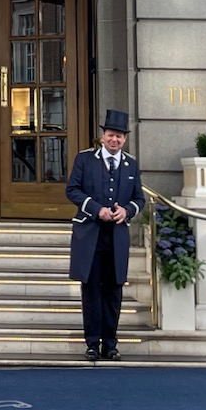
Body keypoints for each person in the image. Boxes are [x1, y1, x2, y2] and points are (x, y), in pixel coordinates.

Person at [65, 109, 144, 361]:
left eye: (119, 137)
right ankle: (91, 343)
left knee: (113, 291)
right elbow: (72, 191)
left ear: (125, 139)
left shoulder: (131, 164)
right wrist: (96, 209)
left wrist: (127, 211)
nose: (115, 140)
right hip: (90, 235)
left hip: (117, 238)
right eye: (111, 135)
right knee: (91, 291)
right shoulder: (85, 159)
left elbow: (139, 198)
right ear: (102, 136)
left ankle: (110, 344)